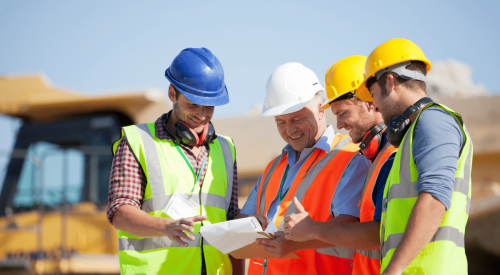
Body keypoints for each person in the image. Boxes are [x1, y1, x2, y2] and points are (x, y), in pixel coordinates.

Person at [107, 47, 242, 275]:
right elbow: (120, 212)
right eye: (192, 104)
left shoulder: (226, 149)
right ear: (172, 94)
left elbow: (231, 220)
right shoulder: (138, 142)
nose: (202, 115)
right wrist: (166, 227)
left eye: (209, 106)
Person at [238, 62, 371, 275]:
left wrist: (301, 238)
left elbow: (351, 227)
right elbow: (245, 218)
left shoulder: (350, 157)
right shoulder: (275, 167)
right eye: (280, 122)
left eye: (297, 119)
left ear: (321, 110)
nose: (290, 130)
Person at [357, 38, 472, 274]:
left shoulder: (434, 121)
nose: (375, 105)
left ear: (390, 82)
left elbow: (435, 198)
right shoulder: (414, 132)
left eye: (373, 94)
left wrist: (395, 268)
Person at [282, 55, 397, 275]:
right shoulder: (375, 159)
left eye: (343, 113)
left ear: (371, 102)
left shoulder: (391, 157)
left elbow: (378, 233)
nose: (339, 125)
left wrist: (313, 229)